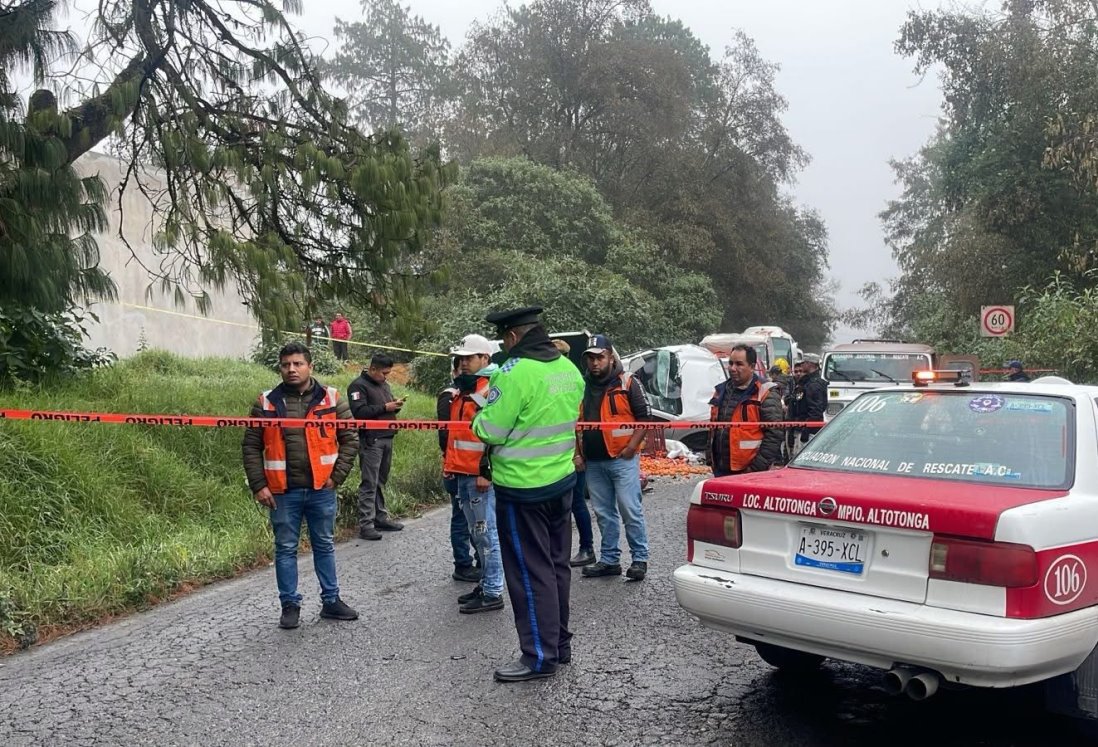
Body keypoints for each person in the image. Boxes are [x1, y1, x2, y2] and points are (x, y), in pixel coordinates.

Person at [472, 306, 584, 682]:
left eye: (505, 338)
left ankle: (538, 655)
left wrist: (480, 411)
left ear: (514, 337)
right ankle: (560, 644)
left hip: (523, 489)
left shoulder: (515, 372)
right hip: (562, 483)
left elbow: (490, 429)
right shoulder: (569, 369)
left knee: (528, 572)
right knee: (556, 567)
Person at [242, 341, 359, 629]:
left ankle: (331, 601)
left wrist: (337, 476)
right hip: (283, 492)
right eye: (286, 365)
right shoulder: (266, 402)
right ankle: (290, 605)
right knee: (285, 548)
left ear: (310, 366)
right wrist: (259, 485)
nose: (292, 369)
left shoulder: (331, 398)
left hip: (322, 489)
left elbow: (350, 439)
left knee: (324, 544)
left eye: (298, 364)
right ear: (280, 368)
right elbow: (250, 446)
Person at [575, 334, 652, 582]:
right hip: (594, 461)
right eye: (590, 358)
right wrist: (578, 453)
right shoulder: (582, 386)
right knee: (603, 512)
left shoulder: (628, 382)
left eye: (600, 357)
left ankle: (639, 559)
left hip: (622, 459)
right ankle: (609, 560)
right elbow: (577, 424)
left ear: (611, 357)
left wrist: (631, 447)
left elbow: (645, 418)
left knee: (629, 509)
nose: (595, 363)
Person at [439, 334, 506, 614]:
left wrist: (486, 471)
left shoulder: (491, 389)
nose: (463, 363)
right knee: (477, 534)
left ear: (485, 359)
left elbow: (498, 433)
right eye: (461, 358)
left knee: (486, 534)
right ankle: (487, 583)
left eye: (469, 358)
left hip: (480, 477)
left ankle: (493, 591)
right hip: (462, 473)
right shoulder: (463, 390)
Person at [347, 353, 406, 540]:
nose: (386, 377)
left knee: (380, 481)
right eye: (383, 373)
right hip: (371, 440)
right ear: (372, 369)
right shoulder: (358, 386)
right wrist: (385, 408)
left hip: (388, 437)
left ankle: (380, 517)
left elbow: (385, 406)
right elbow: (360, 412)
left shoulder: (384, 385)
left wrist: (395, 406)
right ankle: (366, 524)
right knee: (369, 482)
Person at [708, 343, 785, 476]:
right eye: (730, 363)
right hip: (721, 468)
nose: (732, 368)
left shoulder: (765, 392)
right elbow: (713, 429)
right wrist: (710, 458)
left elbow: (774, 435)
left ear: (752, 366)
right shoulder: (721, 391)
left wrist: (756, 468)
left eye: (739, 364)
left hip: (749, 472)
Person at [553, 338, 596, 567]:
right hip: (558, 455)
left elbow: (579, 424)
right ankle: (565, 549)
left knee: (576, 503)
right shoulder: (571, 379)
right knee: (563, 506)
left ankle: (587, 547)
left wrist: (578, 455)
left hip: (572, 454)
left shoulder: (573, 382)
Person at [439, 358, 481, 583]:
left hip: (470, 466)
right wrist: (448, 462)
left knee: (475, 519)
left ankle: (477, 561)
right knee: (461, 518)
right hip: (455, 467)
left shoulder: (475, 392)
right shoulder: (450, 396)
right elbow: (445, 434)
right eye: (461, 366)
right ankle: (463, 564)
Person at [798, 354, 828, 446]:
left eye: (804, 363)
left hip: (809, 432)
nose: (801, 365)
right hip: (801, 426)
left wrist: (806, 431)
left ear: (810, 364)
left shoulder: (814, 384)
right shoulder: (806, 381)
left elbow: (816, 410)